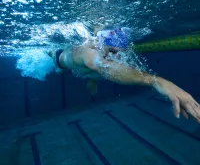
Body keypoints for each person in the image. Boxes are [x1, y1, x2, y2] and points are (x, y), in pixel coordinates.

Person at [46, 26, 200, 124]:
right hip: (57, 59)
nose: (116, 56)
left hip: (91, 70)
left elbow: (115, 67)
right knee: (97, 67)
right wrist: (156, 81)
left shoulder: (112, 53)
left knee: (97, 73)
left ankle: (93, 80)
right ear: (101, 43)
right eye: (112, 51)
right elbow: (101, 64)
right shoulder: (89, 51)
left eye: (120, 52)